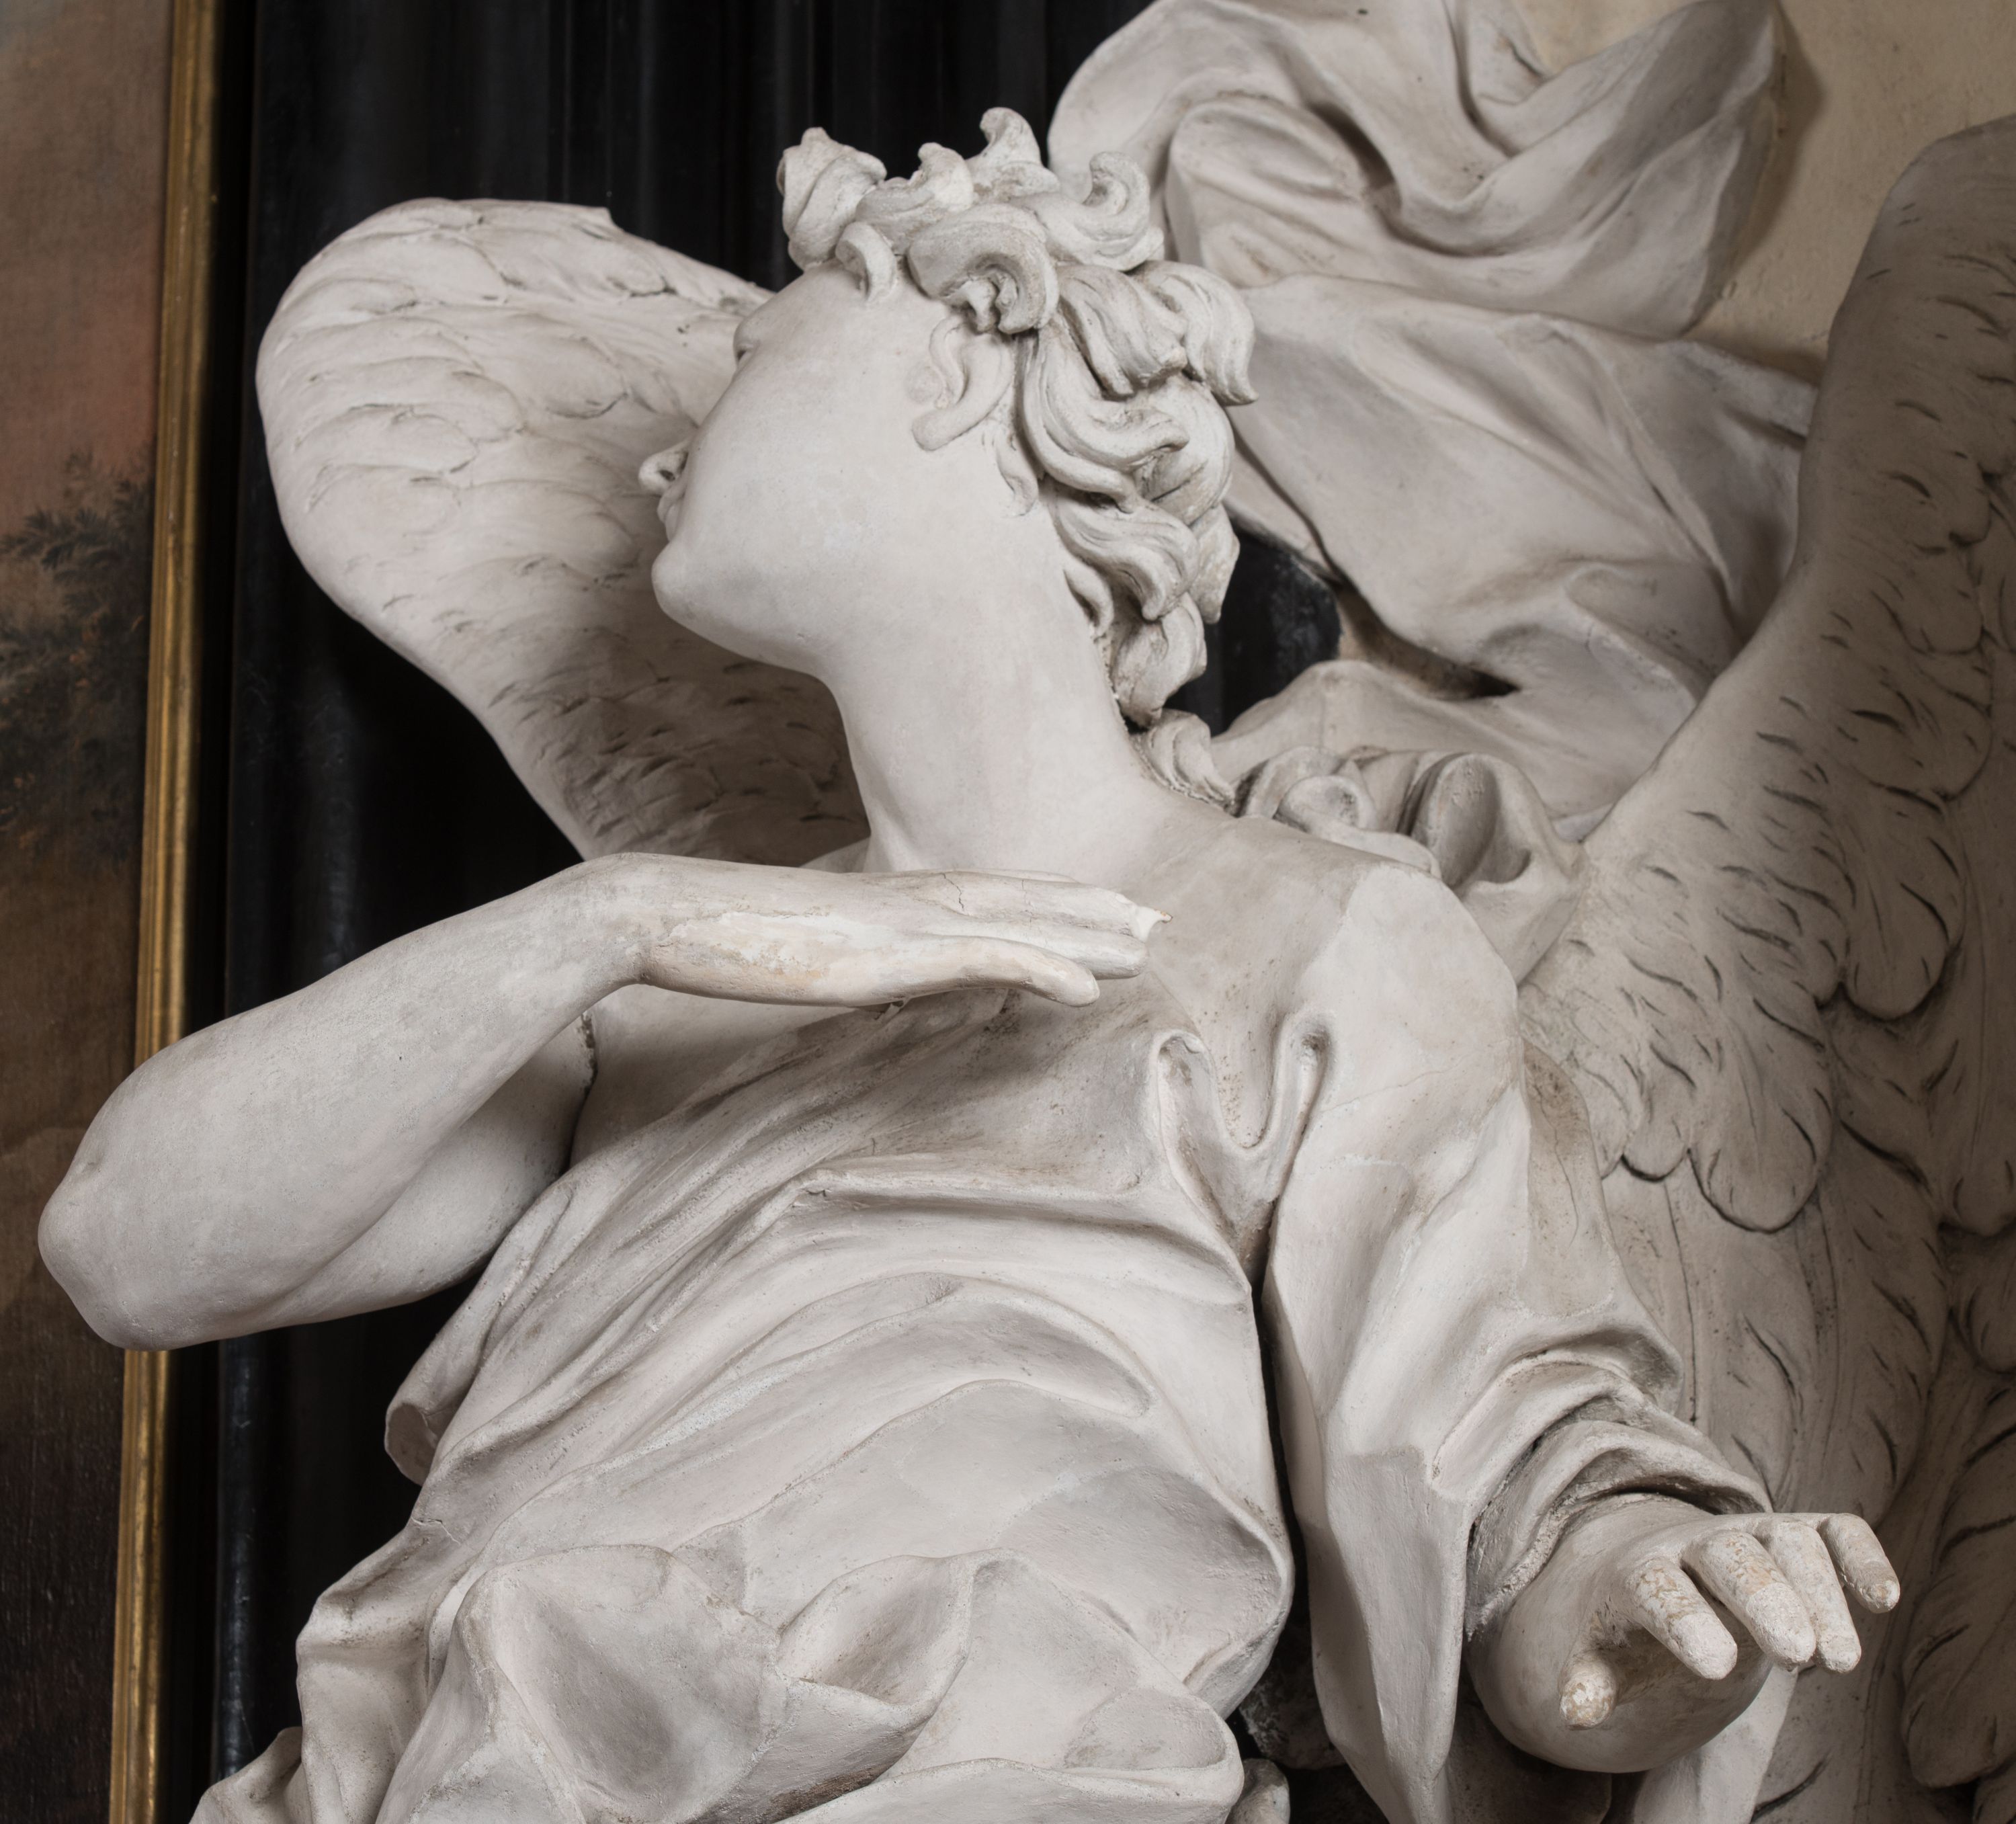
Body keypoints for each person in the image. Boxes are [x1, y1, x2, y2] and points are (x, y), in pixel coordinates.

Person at [43, 115, 1894, 1824]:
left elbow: (1496, 1459)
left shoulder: (1318, 933)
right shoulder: (657, 999)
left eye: (755, 353)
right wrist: (614, 918)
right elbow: (124, 1247)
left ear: (968, 347)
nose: (668, 445)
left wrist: (1638, 1596)